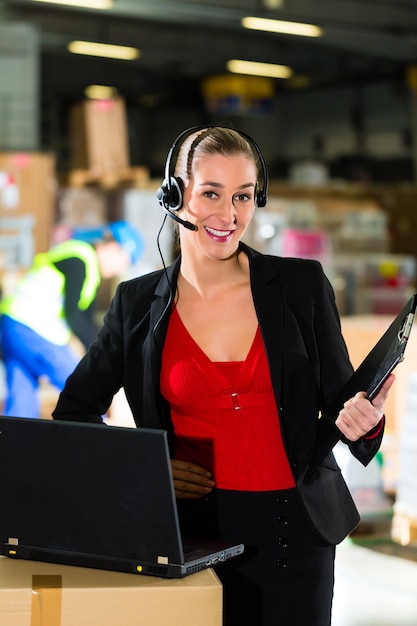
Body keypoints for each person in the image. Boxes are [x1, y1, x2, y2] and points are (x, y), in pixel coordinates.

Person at [52, 127, 393, 626]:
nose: (228, 215)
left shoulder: (300, 287)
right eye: (211, 193)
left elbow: (344, 403)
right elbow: (73, 413)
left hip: (293, 534)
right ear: (174, 195)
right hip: (192, 538)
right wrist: (145, 469)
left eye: (244, 196)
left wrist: (368, 418)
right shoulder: (136, 304)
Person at [0, 220, 143, 419]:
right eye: (125, 261)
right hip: (31, 328)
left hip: (12, 323)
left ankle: (10, 448)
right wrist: (102, 355)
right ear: (113, 247)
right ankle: (101, 445)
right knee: (84, 391)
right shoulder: (81, 259)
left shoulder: (87, 266)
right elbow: (74, 314)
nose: (120, 270)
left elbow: (86, 320)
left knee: (21, 406)